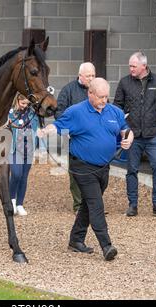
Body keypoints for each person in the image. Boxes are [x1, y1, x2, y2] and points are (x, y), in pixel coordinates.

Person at [38, 78, 134, 261]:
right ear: (90, 93)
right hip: (82, 166)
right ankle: (106, 245)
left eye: (106, 96)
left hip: (104, 167)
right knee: (96, 204)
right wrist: (44, 131)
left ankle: (76, 239)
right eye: (100, 97)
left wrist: (128, 138)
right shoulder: (76, 112)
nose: (104, 100)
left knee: (88, 205)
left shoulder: (114, 111)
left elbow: (125, 129)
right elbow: (57, 126)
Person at [114, 51, 156, 218]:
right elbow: (117, 107)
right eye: (130, 66)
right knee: (132, 170)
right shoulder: (124, 83)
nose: (131, 69)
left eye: (133, 66)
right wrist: (118, 129)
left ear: (144, 66)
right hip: (132, 135)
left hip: (152, 135)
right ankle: (132, 205)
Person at [55, 62, 96, 214]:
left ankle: (92, 204)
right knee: (77, 173)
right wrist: (72, 129)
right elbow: (59, 113)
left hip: (95, 138)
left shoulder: (97, 89)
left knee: (95, 171)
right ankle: (79, 205)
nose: (91, 79)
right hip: (76, 139)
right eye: (88, 76)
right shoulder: (68, 90)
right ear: (80, 76)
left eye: (93, 75)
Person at [9, 93, 39, 216]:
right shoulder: (10, 113)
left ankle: (20, 204)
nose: (25, 106)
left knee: (24, 176)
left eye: (27, 104)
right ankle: (11, 200)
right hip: (15, 149)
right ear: (17, 100)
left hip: (29, 149)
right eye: (23, 103)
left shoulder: (32, 113)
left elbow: (36, 129)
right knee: (16, 174)